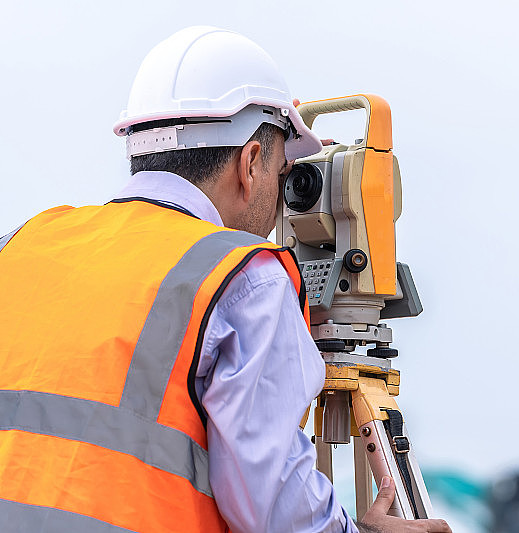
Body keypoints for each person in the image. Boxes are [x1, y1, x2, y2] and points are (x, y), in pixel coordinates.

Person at [0, 26, 450, 533]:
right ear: (251, 163)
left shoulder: (21, 245)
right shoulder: (244, 279)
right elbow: (274, 509)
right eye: (282, 172)